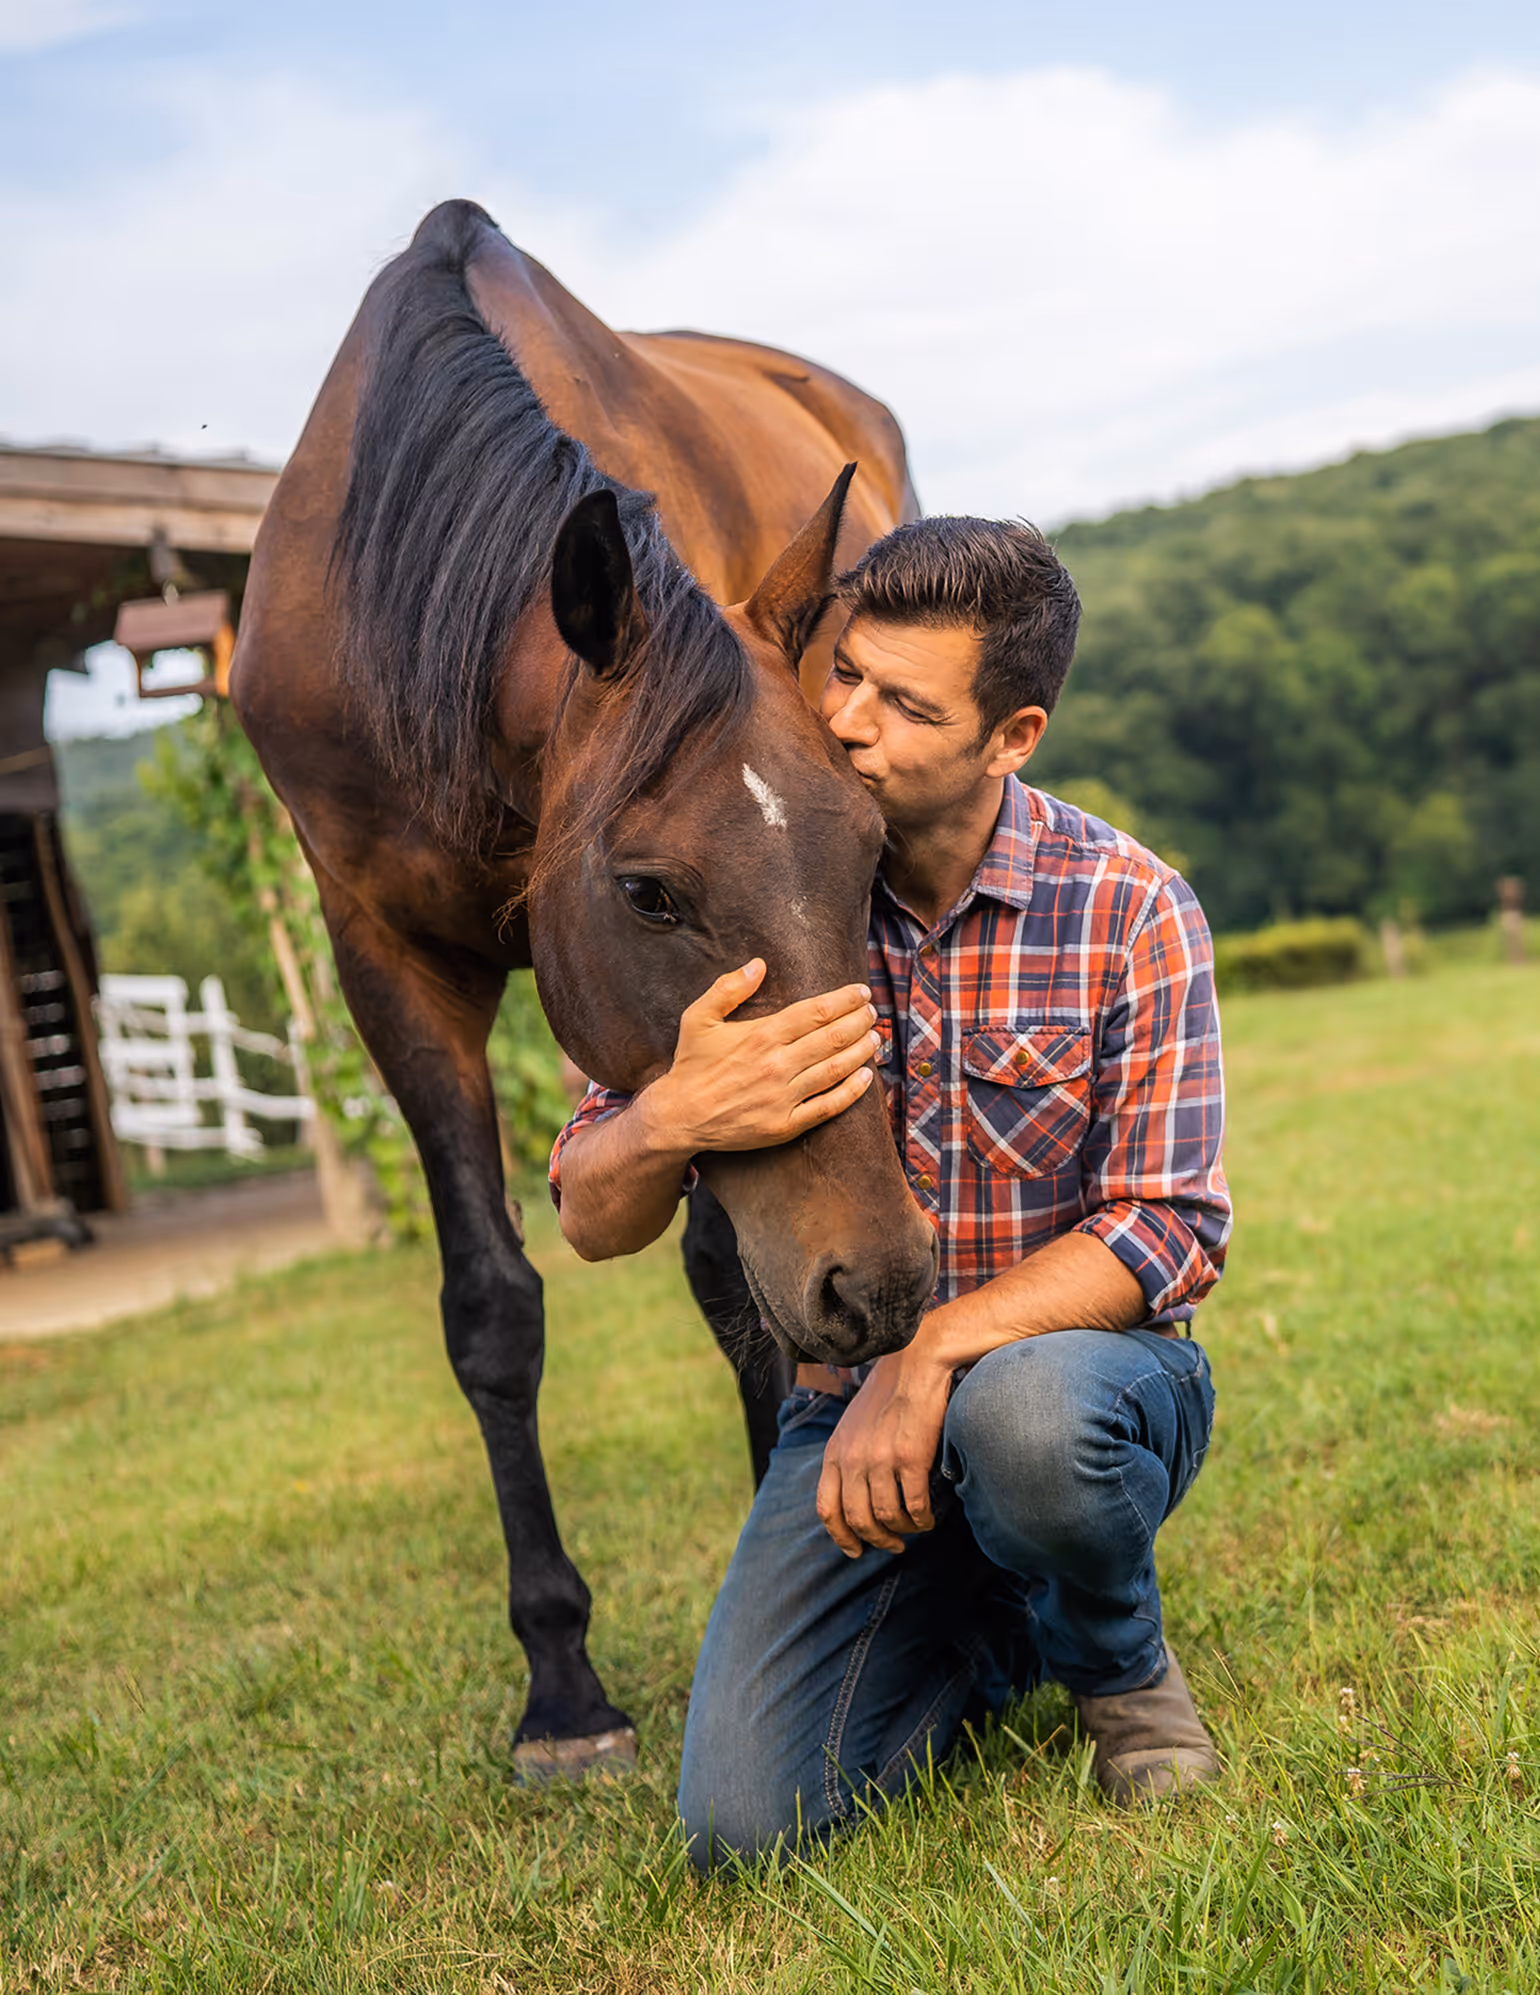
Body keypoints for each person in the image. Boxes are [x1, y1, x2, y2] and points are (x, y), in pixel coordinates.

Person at [548, 517, 1232, 1863]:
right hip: (841, 1429)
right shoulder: (753, 864)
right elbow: (587, 1212)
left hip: (1078, 1382)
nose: (849, 720)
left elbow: (1168, 1228)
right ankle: (991, 1629)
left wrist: (924, 1364)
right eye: (845, 672)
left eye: (906, 702)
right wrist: (674, 1115)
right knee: (745, 1826)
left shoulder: (1129, 907)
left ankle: (1120, 1668)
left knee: (1027, 1430)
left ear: (1012, 735)